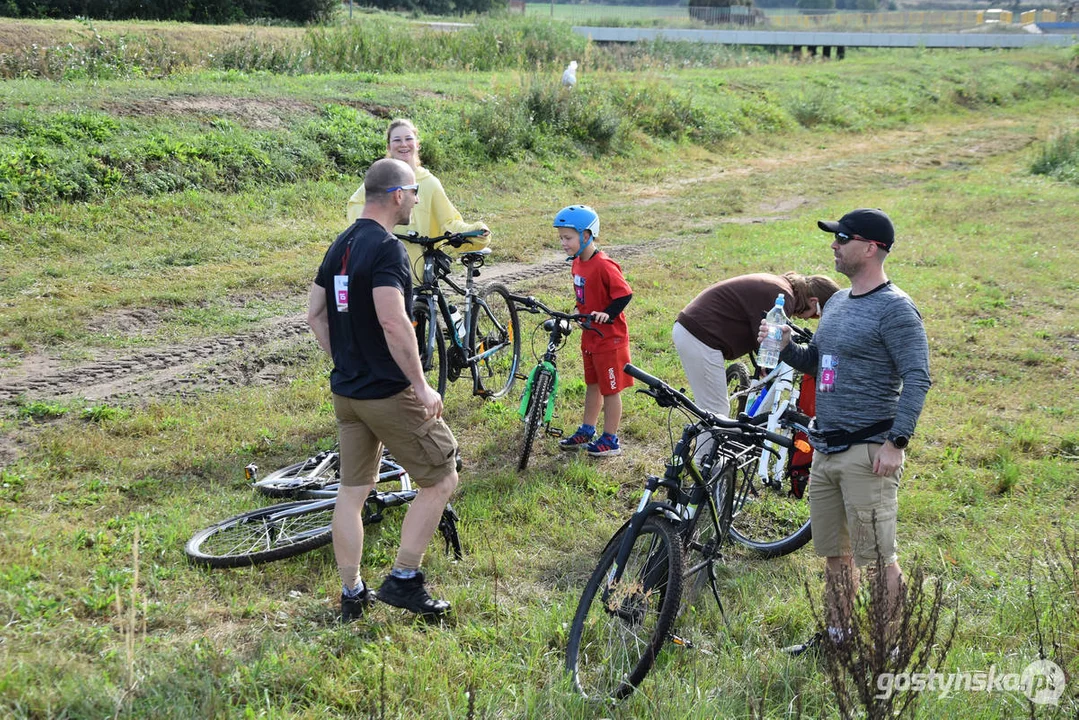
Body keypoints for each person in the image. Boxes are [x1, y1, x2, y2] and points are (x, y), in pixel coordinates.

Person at [761, 208, 931, 655]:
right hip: (826, 447)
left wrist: (897, 442)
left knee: (878, 560)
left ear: (871, 248)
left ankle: (891, 649)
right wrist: (783, 347)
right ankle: (838, 639)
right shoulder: (835, 303)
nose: (833, 244)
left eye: (842, 237)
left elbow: (917, 377)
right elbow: (818, 362)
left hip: (869, 451)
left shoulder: (896, 309)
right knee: (836, 556)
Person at [309, 157, 460, 622]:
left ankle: (352, 592)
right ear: (397, 195)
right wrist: (421, 385)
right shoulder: (388, 249)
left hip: (348, 394)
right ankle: (405, 578)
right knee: (442, 477)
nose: (415, 198)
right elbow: (394, 320)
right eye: (414, 191)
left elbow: (315, 313)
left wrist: (346, 361)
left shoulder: (342, 243)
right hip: (387, 395)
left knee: (353, 492)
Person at [673, 271, 841, 420]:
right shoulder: (782, 297)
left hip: (696, 330)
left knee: (715, 410)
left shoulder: (782, 287)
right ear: (813, 301)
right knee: (715, 412)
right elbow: (769, 342)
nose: (806, 319)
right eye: (816, 315)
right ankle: (705, 455)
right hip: (700, 336)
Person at [346, 118, 489, 281]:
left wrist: (474, 230)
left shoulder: (430, 183)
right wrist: (378, 230)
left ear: (417, 144)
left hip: (419, 267)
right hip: (383, 260)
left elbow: (448, 222)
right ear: (388, 147)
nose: (403, 144)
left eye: (408, 139)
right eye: (397, 140)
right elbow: (357, 208)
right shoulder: (381, 178)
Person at [553, 205, 634, 458]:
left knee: (610, 389)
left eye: (568, 238)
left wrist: (607, 314)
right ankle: (587, 429)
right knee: (593, 384)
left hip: (609, 339)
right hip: (590, 337)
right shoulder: (577, 262)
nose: (563, 243)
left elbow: (625, 293)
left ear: (586, 236)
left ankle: (610, 439)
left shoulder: (605, 265)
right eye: (561, 238)